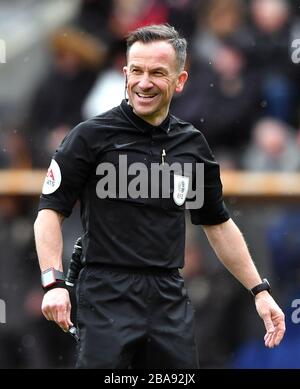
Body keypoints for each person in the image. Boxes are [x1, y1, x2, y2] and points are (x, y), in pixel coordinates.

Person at [34, 24, 285, 369]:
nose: (144, 82)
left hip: (168, 296)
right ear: (125, 73)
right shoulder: (89, 138)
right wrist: (53, 283)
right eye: (136, 70)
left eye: (157, 72)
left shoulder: (192, 145)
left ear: (180, 81)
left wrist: (260, 291)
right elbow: (49, 211)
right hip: (105, 293)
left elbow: (217, 223)